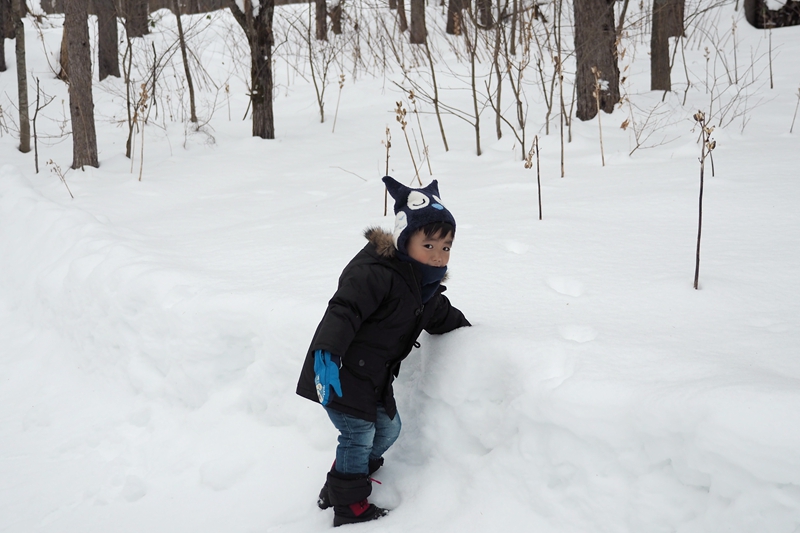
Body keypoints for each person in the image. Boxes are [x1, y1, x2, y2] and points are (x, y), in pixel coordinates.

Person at [296, 176, 471, 527]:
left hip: (371, 379)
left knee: (389, 430)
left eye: (446, 247)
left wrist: (468, 331)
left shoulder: (423, 287)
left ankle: (345, 476)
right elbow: (343, 310)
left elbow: (437, 313)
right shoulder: (374, 273)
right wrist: (327, 351)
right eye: (430, 246)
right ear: (406, 241)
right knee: (358, 436)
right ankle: (350, 505)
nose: (439, 256)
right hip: (340, 372)